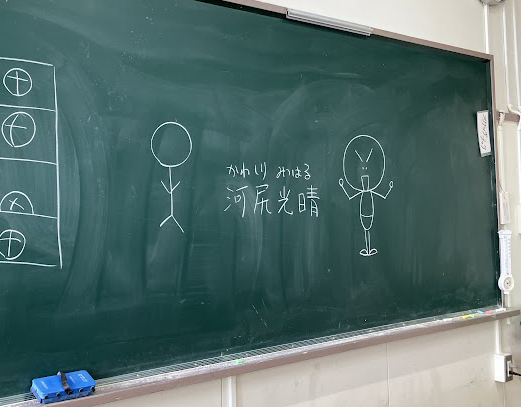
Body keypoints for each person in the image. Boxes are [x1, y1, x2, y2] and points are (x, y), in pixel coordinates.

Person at [338, 135, 393, 256]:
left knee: (369, 229)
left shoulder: (372, 190)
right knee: (366, 229)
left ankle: (369, 249)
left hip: (371, 215)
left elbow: (383, 196)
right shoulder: (360, 192)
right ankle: (368, 249)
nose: (364, 169)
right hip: (363, 215)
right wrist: (342, 186)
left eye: (368, 166)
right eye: (360, 167)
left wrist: (389, 188)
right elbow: (350, 196)